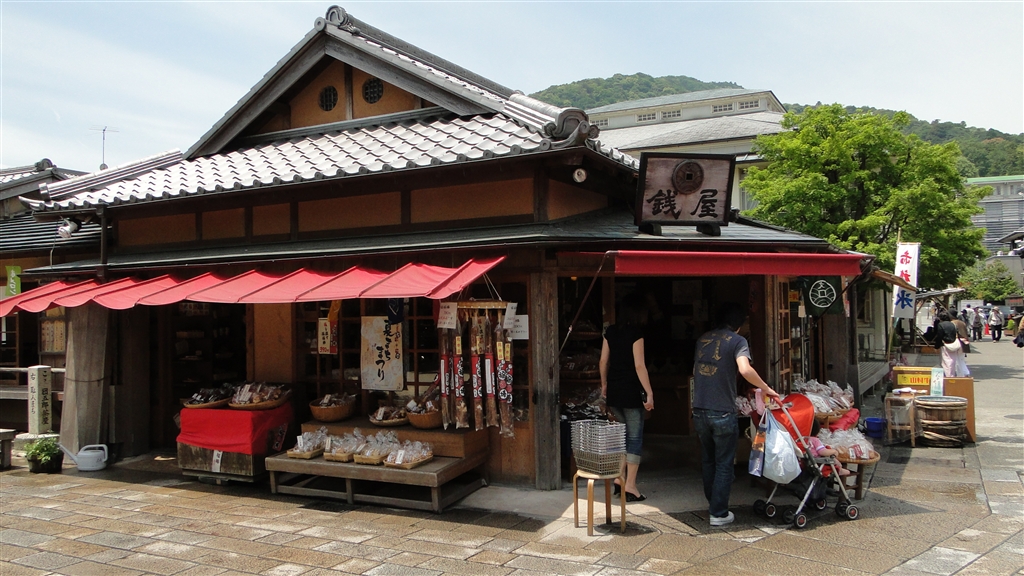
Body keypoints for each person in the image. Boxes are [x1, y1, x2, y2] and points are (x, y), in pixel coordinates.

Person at [692, 302, 780, 527]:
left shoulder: (703, 339)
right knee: (723, 463)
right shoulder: (738, 341)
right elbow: (745, 369)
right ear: (739, 324)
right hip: (722, 410)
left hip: (699, 409)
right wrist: (766, 388)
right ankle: (718, 513)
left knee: (708, 460)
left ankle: (714, 505)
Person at [600, 294, 654, 503]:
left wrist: (604, 384)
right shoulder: (636, 334)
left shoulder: (611, 332)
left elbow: (603, 360)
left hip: (614, 391)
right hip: (631, 392)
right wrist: (649, 392)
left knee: (621, 437)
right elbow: (639, 365)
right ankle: (630, 485)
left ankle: (618, 478)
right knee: (634, 438)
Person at [932, 310, 969, 377]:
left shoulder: (942, 325)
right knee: (955, 360)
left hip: (946, 344)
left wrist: (936, 346)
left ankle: (950, 376)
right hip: (956, 344)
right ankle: (956, 374)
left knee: (947, 361)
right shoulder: (956, 323)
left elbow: (939, 336)